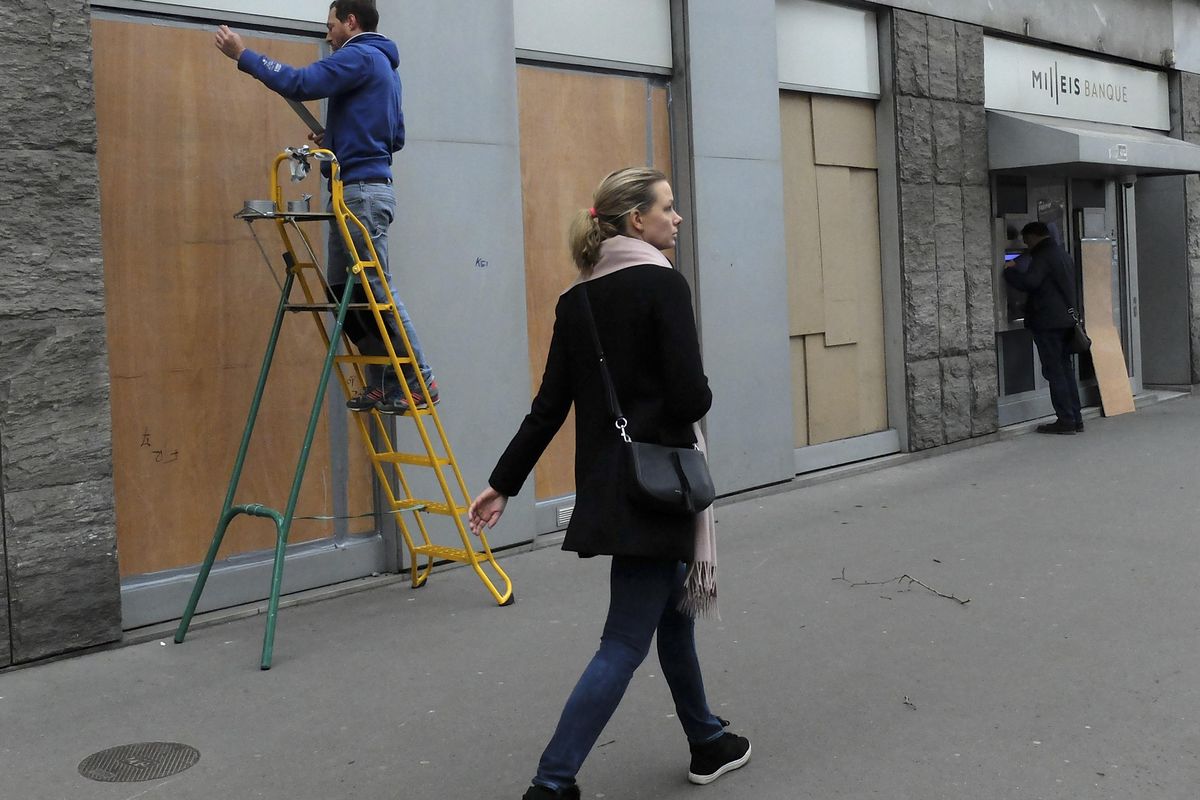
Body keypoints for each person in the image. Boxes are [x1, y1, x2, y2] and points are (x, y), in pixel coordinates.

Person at [467, 168, 751, 799]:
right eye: (668, 209)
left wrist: (503, 483)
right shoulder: (663, 285)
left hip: (614, 487)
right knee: (624, 640)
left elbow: (548, 408)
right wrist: (697, 394)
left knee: (673, 616)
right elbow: (688, 396)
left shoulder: (578, 302)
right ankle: (552, 782)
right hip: (661, 489)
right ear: (635, 221)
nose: (677, 219)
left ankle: (706, 739)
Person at [214, 0, 437, 414]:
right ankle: (381, 380)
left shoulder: (361, 55)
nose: (328, 33)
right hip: (355, 189)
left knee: (375, 289)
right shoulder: (386, 68)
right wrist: (338, 136)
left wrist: (242, 55)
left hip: (361, 194)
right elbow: (396, 137)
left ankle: (419, 379)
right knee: (345, 293)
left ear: (351, 22)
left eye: (331, 24)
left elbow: (299, 83)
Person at [1004, 220, 1084, 434]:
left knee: (1055, 371)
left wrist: (1009, 271)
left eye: (1026, 240)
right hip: (1065, 320)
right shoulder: (1062, 254)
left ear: (1032, 236)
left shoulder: (1042, 255)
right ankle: (1076, 418)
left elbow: (1031, 282)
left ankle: (1065, 421)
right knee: (1065, 370)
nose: (1025, 245)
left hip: (1048, 323)